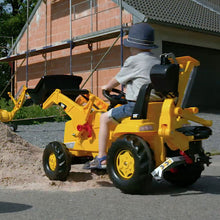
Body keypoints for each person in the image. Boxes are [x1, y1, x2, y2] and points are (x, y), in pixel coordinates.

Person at [84, 22, 162, 169]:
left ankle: (101, 157)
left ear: (134, 46)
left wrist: (106, 87)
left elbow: (116, 80)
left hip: (136, 107)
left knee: (104, 118)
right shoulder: (156, 60)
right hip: (157, 108)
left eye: (130, 46)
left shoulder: (133, 60)